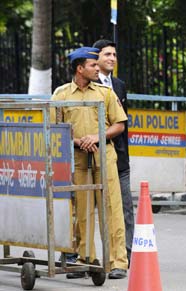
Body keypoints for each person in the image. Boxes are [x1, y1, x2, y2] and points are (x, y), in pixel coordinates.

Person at [51, 47, 129, 279]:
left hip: (104, 155)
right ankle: (86, 259)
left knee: (112, 208)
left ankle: (117, 262)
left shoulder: (105, 93)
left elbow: (119, 124)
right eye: (93, 65)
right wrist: (77, 141)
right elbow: (55, 126)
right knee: (82, 210)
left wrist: (97, 136)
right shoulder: (62, 95)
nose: (98, 68)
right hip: (77, 157)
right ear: (79, 68)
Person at [93, 39, 134, 267]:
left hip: (120, 158)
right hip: (95, 156)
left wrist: (125, 155)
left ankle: (126, 254)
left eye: (114, 55)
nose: (112, 58)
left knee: (125, 208)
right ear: (96, 58)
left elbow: (123, 123)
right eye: (107, 54)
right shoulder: (89, 85)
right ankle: (85, 255)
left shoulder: (119, 85)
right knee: (93, 209)